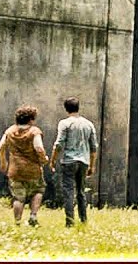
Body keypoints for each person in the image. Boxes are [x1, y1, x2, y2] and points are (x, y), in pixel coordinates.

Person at [49, 96, 98, 227]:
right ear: (78, 107)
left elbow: (58, 144)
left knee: (69, 191)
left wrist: (53, 160)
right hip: (84, 161)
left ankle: (70, 222)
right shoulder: (88, 124)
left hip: (69, 161)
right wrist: (92, 165)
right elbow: (94, 147)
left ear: (66, 109)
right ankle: (83, 219)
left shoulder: (64, 123)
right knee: (81, 191)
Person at [0, 105, 49, 226]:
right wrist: (44, 159)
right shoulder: (34, 131)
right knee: (38, 191)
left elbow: (0, 147)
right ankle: (33, 215)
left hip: (15, 170)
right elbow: (39, 148)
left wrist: (3, 162)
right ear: (31, 119)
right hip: (33, 170)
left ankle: (17, 222)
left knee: (18, 198)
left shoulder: (9, 131)